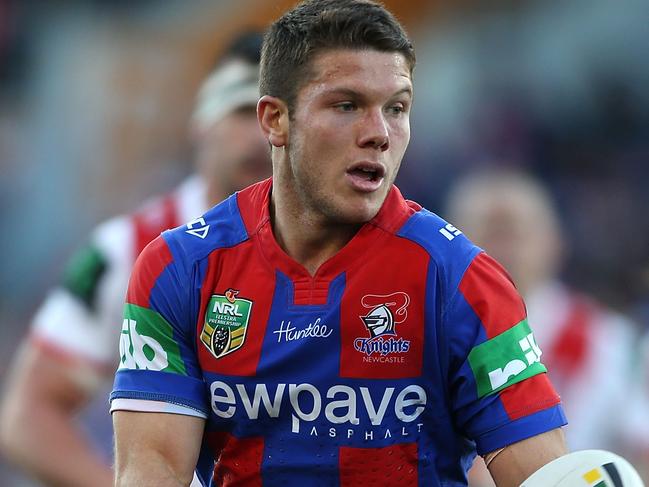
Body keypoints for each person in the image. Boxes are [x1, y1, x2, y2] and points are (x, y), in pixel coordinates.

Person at [110, 1, 568, 486]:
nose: (379, 134)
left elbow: (546, 477)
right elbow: (150, 474)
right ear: (275, 121)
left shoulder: (462, 282)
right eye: (347, 105)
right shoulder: (180, 269)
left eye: (397, 108)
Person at [0, 31, 269, 487]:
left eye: (279, 115)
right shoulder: (130, 247)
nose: (261, 136)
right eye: (244, 111)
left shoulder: (348, 248)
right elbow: (28, 416)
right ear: (201, 121)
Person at [443, 169, 644, 485]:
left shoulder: (613, 342)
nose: (503, 249)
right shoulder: (425, 345)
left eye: (517, 232)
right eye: (488, 232)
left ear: (555, 242)